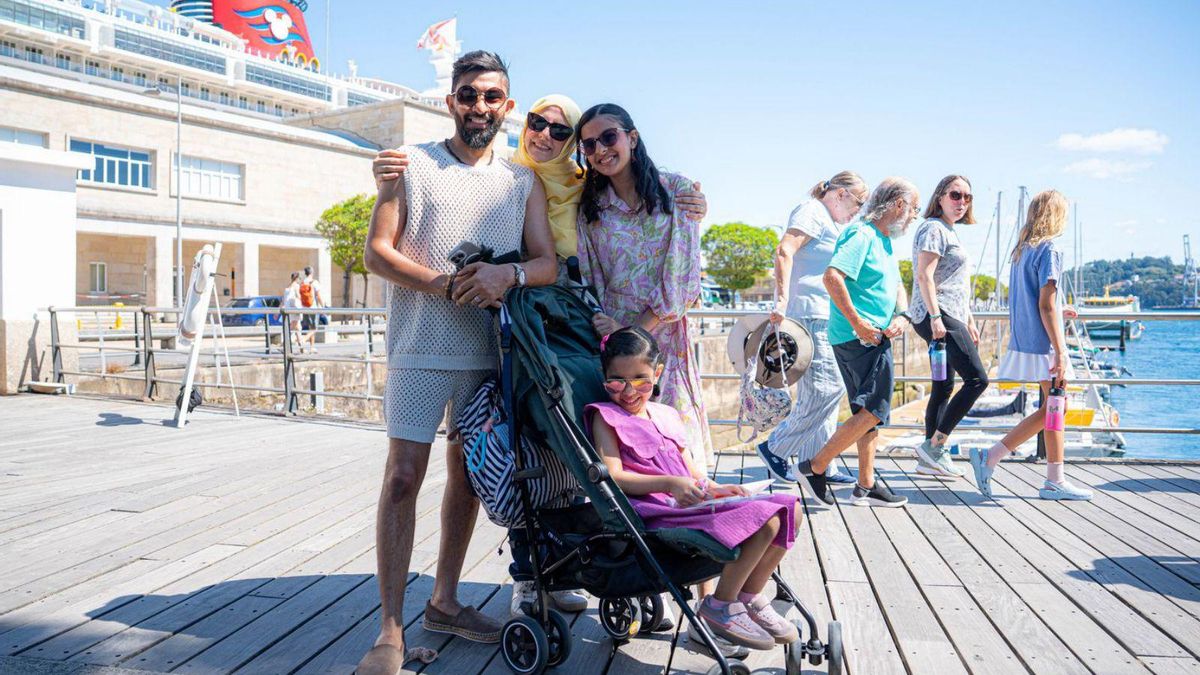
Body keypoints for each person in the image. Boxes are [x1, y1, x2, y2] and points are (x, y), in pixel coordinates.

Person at [371, 95, 707, 623]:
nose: (547, 136)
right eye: (538, 123)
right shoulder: (522, 178)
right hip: (560, 332)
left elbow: (664, 276)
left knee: (657, 453)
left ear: (629, 138)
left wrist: (628, 330)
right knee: (540, 449)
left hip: (623, 338)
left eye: (565, 132)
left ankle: (682, 582)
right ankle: (531, 576)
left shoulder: (598, 188)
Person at [356, 50, 559, 674]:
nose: (479, 106)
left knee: (467, 475)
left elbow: (546, 264)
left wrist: (507, 274)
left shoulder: (521, 182)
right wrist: (444, 285)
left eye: (491, 96)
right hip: (419, 347)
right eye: (468, 94)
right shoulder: (409, 164)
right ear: (450, 101)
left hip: (487, 352)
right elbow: (376, 253)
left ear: (507, 105)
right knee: (402, 477)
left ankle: (444, 601)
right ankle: (390, 630)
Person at [588, 327, 801, 651]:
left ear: (657, 373)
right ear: (605, 378)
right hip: (659, 511)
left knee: (792, 508)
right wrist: (670, 484)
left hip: (691, 502)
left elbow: (692, 473)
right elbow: (614, 476)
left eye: (641, 381)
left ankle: (749, 597)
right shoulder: (605, 417)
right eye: (617, 382)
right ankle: (719, 605)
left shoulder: (667, 414)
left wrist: (718, 488)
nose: (629, 392)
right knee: (767, 520)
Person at [795, 178, 921, 508]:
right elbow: (832, 277)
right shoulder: (861, 234)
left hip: (871, 335)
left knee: (865, 412)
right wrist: (858, 323)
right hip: (860, 337)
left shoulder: (883, 240)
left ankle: (865, 485)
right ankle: (815, 466)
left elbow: (896, 285)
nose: (914, 216)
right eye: (914, 209)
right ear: (899, 205)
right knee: (874, 410)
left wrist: (903, 315)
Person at [970, 190, 1092, 501]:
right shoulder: (1050, 249)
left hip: (1028, 340)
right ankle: (1002, 460)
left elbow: (1035, 299)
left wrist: (1059, 307)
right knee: (1056, 407)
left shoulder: (1022, 250)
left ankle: (1046, 476)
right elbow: (1045, 304)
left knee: (1053, 407)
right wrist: (1061, 351)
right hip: (1046, 344)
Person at [758, 172, 869, 487]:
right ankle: (776, 447)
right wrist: (781, 300)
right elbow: (784, 251)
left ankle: (817, 463)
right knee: (826, 389)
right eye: (858, 203)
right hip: (809, 314)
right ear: (841, 194)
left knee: (824, 391)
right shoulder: (812, 211)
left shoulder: (830, 221)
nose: (858, 211)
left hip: (825, 315)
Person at [909, 175, 987, 478]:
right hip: (938, 314)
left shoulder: (948, 230)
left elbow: (955, 283)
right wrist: (936, 317)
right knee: (977, 380)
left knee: (943, 386)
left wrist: (968, 319)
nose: (962, 202)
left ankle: (928, 459)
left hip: (948, 314)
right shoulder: (934, 228)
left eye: (967, 197)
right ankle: (936, 446)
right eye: (955, 195)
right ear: (940, 197)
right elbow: (924, 275)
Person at [300, 265, 327, 354]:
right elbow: (318, 296)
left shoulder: (302, 282)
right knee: (314, 328)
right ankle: (304, 339)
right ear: (312, 272)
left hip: (304, 308)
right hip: (313, 307)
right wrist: (323, 306)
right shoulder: (314, 282)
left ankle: (311, 347)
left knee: (309, 328)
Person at [282, 271, 304, 353]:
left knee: (298, 328)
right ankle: (284, 345)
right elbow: (298, 296)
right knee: (292, 327)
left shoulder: (288, 287)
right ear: (297, 278)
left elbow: (283, 300)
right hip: (294, 309)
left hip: (288, 309)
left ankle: (301, 347)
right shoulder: (296, 286)